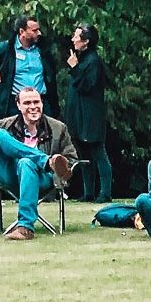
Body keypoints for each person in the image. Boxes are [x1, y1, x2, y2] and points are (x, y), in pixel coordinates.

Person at [0, 87, 76, 240]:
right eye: (27, 103)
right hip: (9, 174)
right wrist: (9, 154)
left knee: (26, 163)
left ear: (42, 103)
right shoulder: (4, 125)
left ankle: (25, 228)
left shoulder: (58, 128)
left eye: (36, 102)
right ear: (18, 105)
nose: (33, 106)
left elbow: (70, 158)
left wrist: (59, 170)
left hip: (43, 179)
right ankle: (45, 160)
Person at [64, 23, 112, 202]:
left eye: (76, 37)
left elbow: (88, 86)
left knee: (98, 152)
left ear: (86, 41)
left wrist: (75, 68)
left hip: (91, 115)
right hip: (78, 114)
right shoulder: (82, 59)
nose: (73, 39)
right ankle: (88, 192)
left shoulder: (93, 61)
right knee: (83, 154)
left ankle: (105, 193)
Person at [0, 13, 57, 120]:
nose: (39, 33)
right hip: (14, 104)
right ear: (22, 32)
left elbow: (51, 77)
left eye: (38, 29)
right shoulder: (5, 48)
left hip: (40, 102)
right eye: (34, 30)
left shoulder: (43, 50)